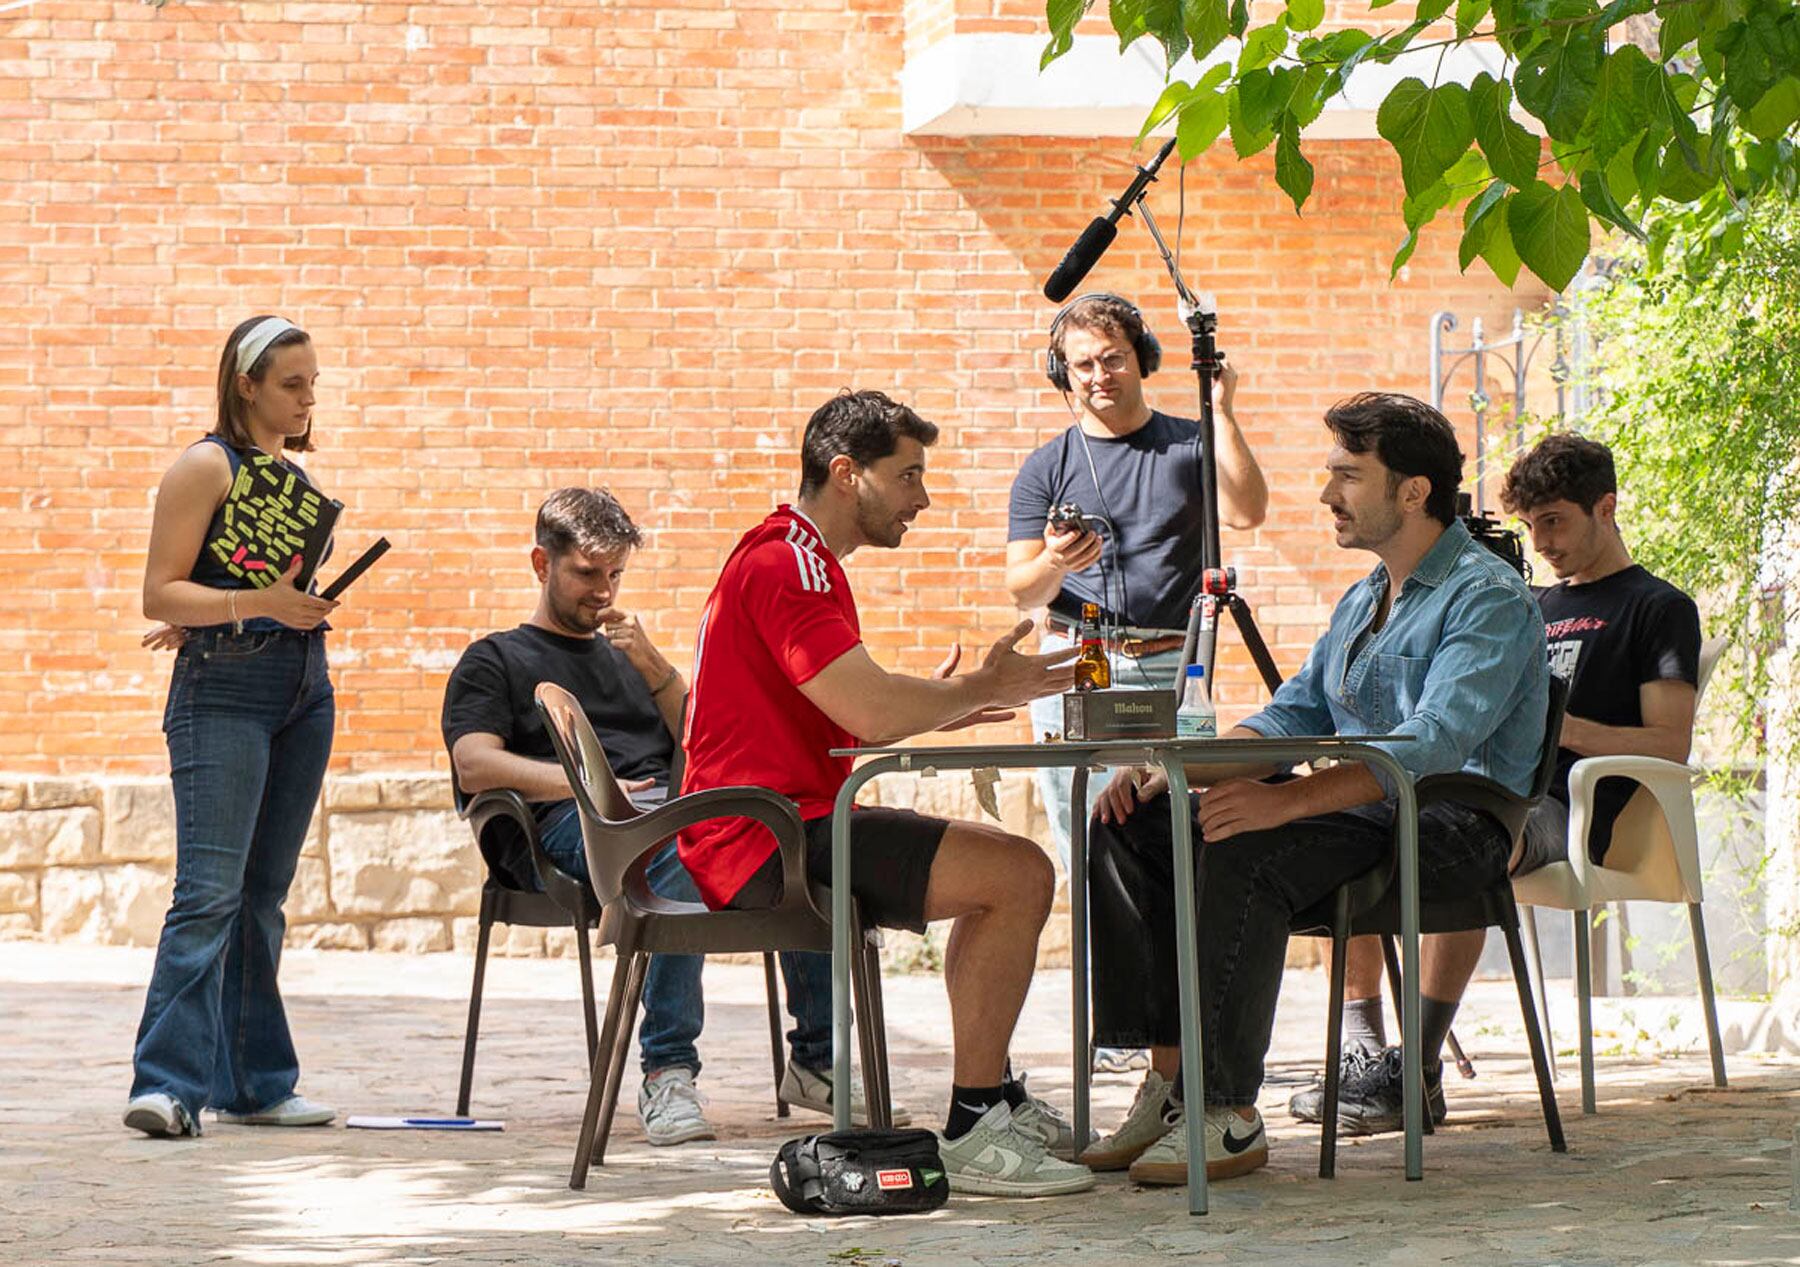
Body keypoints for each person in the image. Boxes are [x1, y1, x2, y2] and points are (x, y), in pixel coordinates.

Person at [1083, 392, 1548, 1186]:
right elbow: (1291, 711)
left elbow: (1428, 743)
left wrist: (1283, 799)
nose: (1327, 493)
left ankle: (1226, 1111)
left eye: (1347, 475)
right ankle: (1171, 1086)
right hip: (1363, 811)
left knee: (1245, 839)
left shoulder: (1489, 595)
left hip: (1454, 825)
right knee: (1138, 822)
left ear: (1413, 491)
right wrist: (1175, 767)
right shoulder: (1366, 594)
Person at [678, 389, 1095, 1197]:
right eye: (908, 476)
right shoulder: (788, 562)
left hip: (776, 821)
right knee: (1019, 875)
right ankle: (978, 1124)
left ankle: (993, 1098)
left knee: (1010, 870)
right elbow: (867, 707)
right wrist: (977, 688)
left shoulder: (793, 554)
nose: (923, 498)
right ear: (847, 473)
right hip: (767, 837)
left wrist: (944, 704)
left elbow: (843, 720)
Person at [441, 488, 896, 1147]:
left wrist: (656, 669)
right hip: (569, 824)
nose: (604, 591)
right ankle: (668, 1071)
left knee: (800, 843)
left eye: (616, 574)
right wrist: (588, 784)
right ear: (541, 564)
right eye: (586, 574)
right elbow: (474, 764)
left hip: (665, 811)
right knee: (680, 854)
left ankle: (818, 1059)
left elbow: (705, 736)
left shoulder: (630, 658)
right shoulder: (497, 658)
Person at [1289, 431, 1702, 1135]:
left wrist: (1550, 722)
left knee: (1471, 832)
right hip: (1478, 776)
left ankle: (1415, 1064)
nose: (1542, 542)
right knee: (1346, 817)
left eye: (1556, 522)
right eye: (1531, 524)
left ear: (1607, 507)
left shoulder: (1656, 607)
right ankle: (1362, 1052)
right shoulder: (1520, 602)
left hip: (1571, 801)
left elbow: (1671, 742)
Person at [1008, 293, 1269, 1073]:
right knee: (1086, 847)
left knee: (1158, 843)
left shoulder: (1189, 444)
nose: (1099, 375)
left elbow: (1250, 509)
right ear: (1063, 371)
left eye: (1113, 357)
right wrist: (1057, 561)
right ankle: (1114, 1027)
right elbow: (1020, 589)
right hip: (1075, 662)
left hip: (1168, 663)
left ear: (1143, 357)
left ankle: (1163, 1025)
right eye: (1082, 363)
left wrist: (1220, 409)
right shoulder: (1045, 465)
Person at [125, 315, 342, 1137]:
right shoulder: (205, 464)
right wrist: (253, 606)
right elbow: (158, 591)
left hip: (301, 684)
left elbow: (221, 584)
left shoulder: (293, 480)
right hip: (223, 692)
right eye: (291, 383)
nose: (306, 399)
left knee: (262, 897)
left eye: (312, 384)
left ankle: (256, 1083)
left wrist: (286, 606)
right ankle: (165, 1085)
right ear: (244, 383)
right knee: (208, 895)